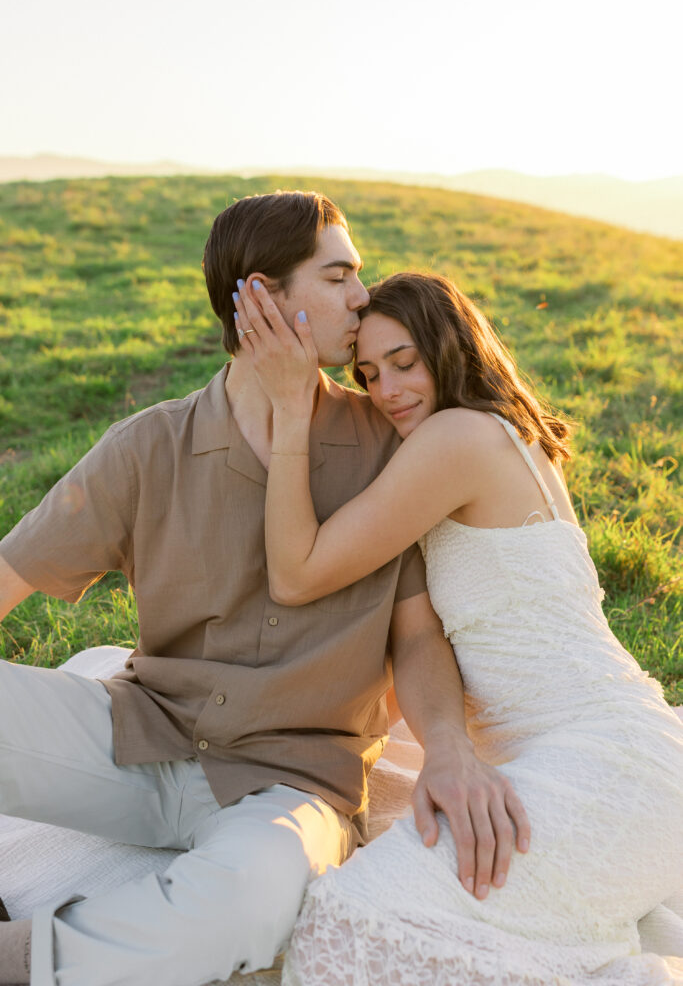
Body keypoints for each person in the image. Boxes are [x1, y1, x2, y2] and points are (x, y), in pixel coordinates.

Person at [0, 194, 529, 986]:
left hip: (296, 783)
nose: (361, 294)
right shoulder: (149, 446)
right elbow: (10, 574)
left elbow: (417, 633)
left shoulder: (392, 448)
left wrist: (447, 750)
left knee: (249, 904)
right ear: (259, 298)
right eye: (339, 274)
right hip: (140, 736)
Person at [232, 270, 683, 985]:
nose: (385, 391)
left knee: (348, 925)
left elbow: (297, 572)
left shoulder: (457, 438)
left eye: (404, 363)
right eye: (368, 372)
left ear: (450, 347)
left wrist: (292, 407)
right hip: (599, 751)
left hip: (609, 764)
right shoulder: (494, 435)